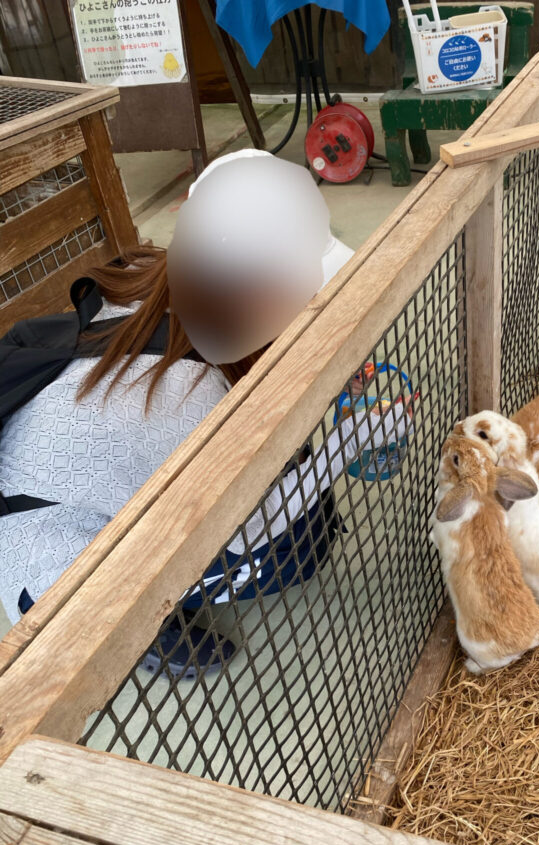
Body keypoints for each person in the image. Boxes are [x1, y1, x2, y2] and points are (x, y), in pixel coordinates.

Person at [0, 150, 409, 678]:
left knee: (295, 485)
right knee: (295, 547)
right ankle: (136, 634)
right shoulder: (179, 401)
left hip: (69, 498)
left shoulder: (158, 276)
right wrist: (347, 443)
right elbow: (244, 529)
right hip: (60, 580)